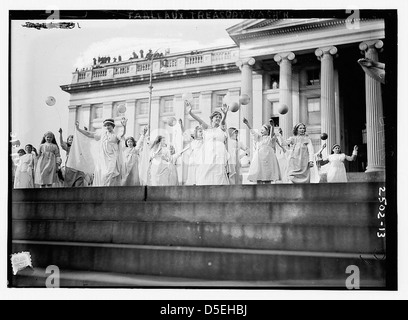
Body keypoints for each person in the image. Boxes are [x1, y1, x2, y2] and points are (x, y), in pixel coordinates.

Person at [186, 101, 230, 185]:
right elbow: (199, 119)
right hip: (208, 153)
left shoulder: (222, 128)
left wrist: (225, 114)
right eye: (216, 117)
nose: (218, 118)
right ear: (212, 118)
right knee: (207, 171)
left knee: (218, 172)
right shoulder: (207, 127)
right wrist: (190, 112)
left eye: (219, 117)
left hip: (219, 153)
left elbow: (223, 122)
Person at [75, 118, 127, 186]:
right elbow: (89, 134)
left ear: (113, 126)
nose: (108, 127)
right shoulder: (102, 134)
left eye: (109, 125)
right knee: (103, 174)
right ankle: (103, 187)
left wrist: (124, 126)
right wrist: (78, 129)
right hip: (103, 158)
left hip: (112, 157)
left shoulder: (115, 135)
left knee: (110, 172)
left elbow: (122, 134)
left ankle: (107, 187)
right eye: (106, 125)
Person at [243, 118, 282, 184]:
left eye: (263, 129)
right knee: (259, 174)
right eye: (261, 129)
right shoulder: (259, 138)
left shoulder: (270, 138)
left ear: (268, 131)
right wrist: (247, 124)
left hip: (268, 158)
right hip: (259, 158)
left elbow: (272, 134)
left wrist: (272, 126)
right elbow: (252, 132)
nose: (261, 131)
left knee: (268, 175)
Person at [180, 120, 204, 186]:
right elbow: (185, 134)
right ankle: (193, 184)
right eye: (200, 132)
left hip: (201, 160)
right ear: (196, 133)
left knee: (200, 175)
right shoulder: (193, 141)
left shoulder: (204, 141)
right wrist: (181, 125)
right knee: (192, 175)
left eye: (202, 132)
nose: (201, 133)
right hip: (193, 160)